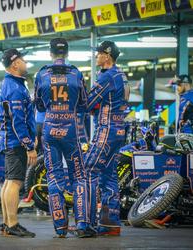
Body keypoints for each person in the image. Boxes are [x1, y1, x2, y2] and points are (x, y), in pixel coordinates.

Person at [35, 37, 93, 238]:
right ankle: (83, 225)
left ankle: (60, 229)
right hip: (71, 129)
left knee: (53, 176)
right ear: (67, 53)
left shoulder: (41, 74)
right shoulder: (76, 73)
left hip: (49, 129)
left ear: (50, 53)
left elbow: (39, 105)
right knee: (79, 176)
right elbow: (85, 103)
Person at [85, 41, 129, 236]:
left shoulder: (107, 77)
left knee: (87, 170)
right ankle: (111, 224)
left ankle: (87, 221)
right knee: (109, 175)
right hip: (119, 130)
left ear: (107, 56)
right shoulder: (121, 75)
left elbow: (88, 103)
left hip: (107, 130)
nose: (96, 57)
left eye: (99, 53)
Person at [0, 48, 37, 237]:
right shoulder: (14, 87)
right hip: (15, 142)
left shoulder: (11, 83)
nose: (26, 63)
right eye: (23, 60)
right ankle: (12, 224)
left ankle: (7, 223)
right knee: (14, 182)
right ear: (15, 64)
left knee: (8, 182)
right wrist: (29, 145)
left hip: (10, 141)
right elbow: (17, 121)